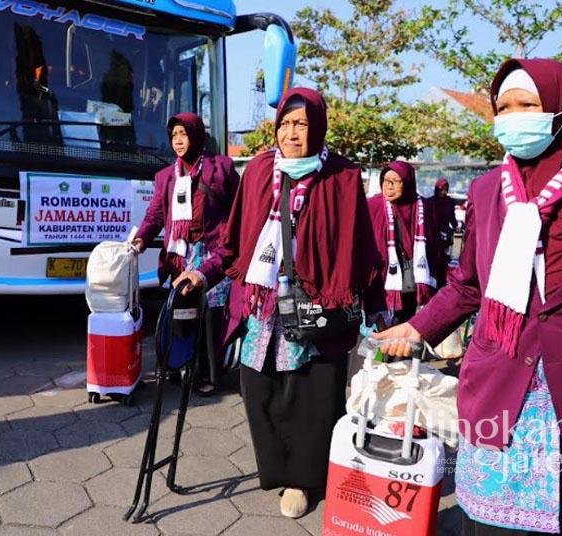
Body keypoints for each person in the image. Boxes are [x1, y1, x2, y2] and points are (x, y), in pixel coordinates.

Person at [375, 58, 562, 535]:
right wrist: (418, 327)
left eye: (527, 105)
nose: (513, 117)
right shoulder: (487, 190)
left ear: (561, 107)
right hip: (501, 383)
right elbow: (469, 282)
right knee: (494, 521)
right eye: (504, 107)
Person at [175, 87, 382, 518]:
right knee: (260, 389)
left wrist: (378, 311)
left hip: (316, 304)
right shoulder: (257, 173)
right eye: (286, 123)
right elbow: (233, 241)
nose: (292, 133)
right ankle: (277, 468)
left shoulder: (342, 178)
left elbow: (362, 249)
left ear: (318, 128)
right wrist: (204, 272)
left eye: (302, 124)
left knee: (310, 394)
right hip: (261, 306)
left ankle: (304, 479)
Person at [133, 112, 239, 395]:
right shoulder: (166, 176)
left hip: (212, 253)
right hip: (178, 255)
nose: (179, 141)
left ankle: (207, 373)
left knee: (210, 316)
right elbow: (155, 213)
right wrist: (141, 238)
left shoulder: (221, 169)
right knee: (182, 313)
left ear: (197, 135)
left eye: (184, 134)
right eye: (174, 135)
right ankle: (180, 366)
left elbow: (239, 208)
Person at [368, 161, 436, 324]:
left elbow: (434, 245)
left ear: (408, 182)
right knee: (382, 327)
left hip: (412, 277)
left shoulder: (423, 206)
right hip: (381, 279)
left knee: (406, 324)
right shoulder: (373, 206)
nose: (389, 186)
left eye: (396, 181)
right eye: (386, 180)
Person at [426, 178, 458, 289]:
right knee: (432, 259)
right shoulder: (430, 202)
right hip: (431, 235)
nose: (443, 192)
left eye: (445, 190)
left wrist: (456, 226)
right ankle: (431, 284)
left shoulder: (449, 202)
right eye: (441, 189)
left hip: (444, 236)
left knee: (443, 260)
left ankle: (441, 284)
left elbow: (452, 218)